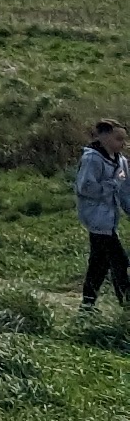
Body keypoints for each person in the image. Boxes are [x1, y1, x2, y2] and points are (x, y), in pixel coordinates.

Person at [81, 121, 130, 309]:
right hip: (97, 219)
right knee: (120, 261)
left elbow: (125, 191)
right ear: (103, 137)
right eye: (118, 139)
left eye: (124, 139)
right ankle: (126, 302)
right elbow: (85, 188)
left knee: (99, 264)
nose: (123, 143)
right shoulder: (92, 159)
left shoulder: (121, 161)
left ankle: (87, 304)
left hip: (111, 221)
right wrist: (110, 186)